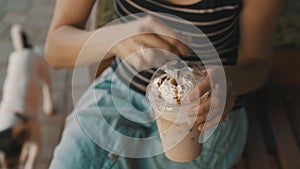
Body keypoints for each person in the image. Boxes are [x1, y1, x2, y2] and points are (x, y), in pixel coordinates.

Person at [45, 0, 281, 168]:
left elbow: (258, 63)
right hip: (117, 94)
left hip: (204, 115)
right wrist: (116, 38)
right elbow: (55, 49)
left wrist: (231, 81)